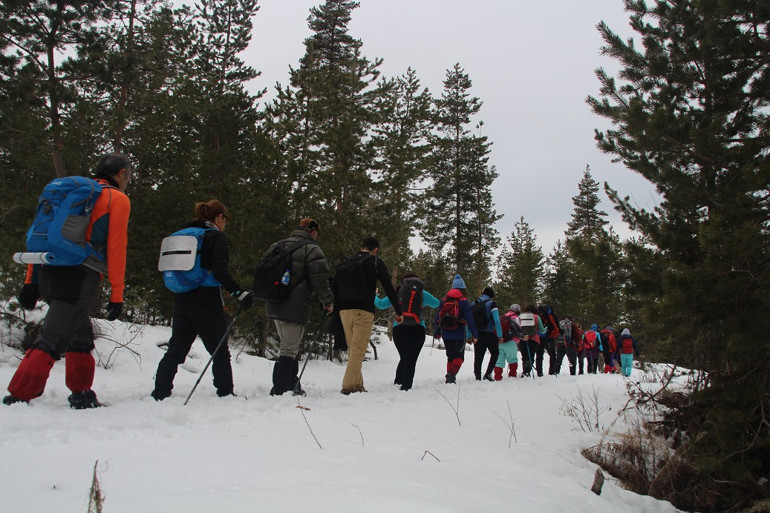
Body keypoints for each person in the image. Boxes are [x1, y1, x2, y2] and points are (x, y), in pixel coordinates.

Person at [4, 153, 133, 408]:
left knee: (80, 334)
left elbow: (42, 236)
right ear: (121, 174)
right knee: (52, 338)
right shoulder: (117, 198)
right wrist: (117, 294)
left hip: (49, 272)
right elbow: (117, 248)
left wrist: (31, 281)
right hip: (79, 278)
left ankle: (81, 393)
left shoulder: (69, 196)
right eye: (128, 177)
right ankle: (19, 395)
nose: (127, 182)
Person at [151, 200, 254, 401]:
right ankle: (225, 393)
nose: (225, 224)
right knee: (219, 351)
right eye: (226, 220)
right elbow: (220, 270)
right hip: (207, 300)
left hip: (182, 297)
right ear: (219, 217)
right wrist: (239, 292)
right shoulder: (216, 237)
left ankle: (160, 391)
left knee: (176, 349)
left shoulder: (183, 234)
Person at [264, 218, 334, 396]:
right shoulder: (312, 249)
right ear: (313, 232)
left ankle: (291, 384)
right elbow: (320, 279)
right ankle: (280, 389)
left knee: (290, 346)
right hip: (295, 306)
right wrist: (327, 301)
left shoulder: (277, 245)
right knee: (288, 349)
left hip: (274, 302)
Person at [336, 237, 403, 395]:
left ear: (362, 247)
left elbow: (336, 284)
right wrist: (399, 311)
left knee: (354, 350)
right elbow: (388, 288)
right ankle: (348, 386)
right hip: (363, 311)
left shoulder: (348, 261)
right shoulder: (375, 262)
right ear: (376, 249)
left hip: (344, 311)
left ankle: (357, 385)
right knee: (358, 351)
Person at [374, 273, 440, 391]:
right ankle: (406, 387)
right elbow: (436, 303)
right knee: (411, 359)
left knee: (404, 357)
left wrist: (375, 295)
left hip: (399, 328)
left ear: (404, 281)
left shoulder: (398, 292)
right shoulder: (422, 293)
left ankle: (398, 383)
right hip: (418, 328)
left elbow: (380, 305)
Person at [433, 274, 478, 383]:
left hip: (446, 333)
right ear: (463, 289)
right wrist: (474, 334)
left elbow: (438, 318)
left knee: (450, 357)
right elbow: (470, 320)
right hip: (459, 333)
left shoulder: (444, 300)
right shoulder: (464, 301)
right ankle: (451, 375)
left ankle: (449, 379)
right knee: (459, 357)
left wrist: (437, 332)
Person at [471, 287, 503, 381]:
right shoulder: (491, 304)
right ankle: (488, 373)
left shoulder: (473, 303)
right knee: (495, 353)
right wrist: (500, 335)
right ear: (491, 296)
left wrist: (469, 335)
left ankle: (477, 376)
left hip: (477, 333)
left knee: (478, 355)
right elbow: (496, 320)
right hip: (489, 333)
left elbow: (469, 320)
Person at [493, 304, 521, 380]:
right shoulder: (516, 318)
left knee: (499, 360)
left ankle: (497, 377)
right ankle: (512, 375)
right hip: (511, 341)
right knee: (512, 359)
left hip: (500, 341)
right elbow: (518, 329)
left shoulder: (502, 317)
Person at [519, 304, 545, 377]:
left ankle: (525, 371)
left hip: (522, 338)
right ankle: (527, 371)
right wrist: (545, 329)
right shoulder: (537, 317)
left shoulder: (520, 316)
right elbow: (542, 330)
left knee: (524, 356)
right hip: (533, 339)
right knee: (531, 355)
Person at [539, 305, 560, 375]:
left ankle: (539, 371)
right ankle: (552, 370)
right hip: (550, 337)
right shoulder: (551, 315)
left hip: (540, 336)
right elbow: (556, 325)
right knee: (552, 354)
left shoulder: (539, 315)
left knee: (539, 354)